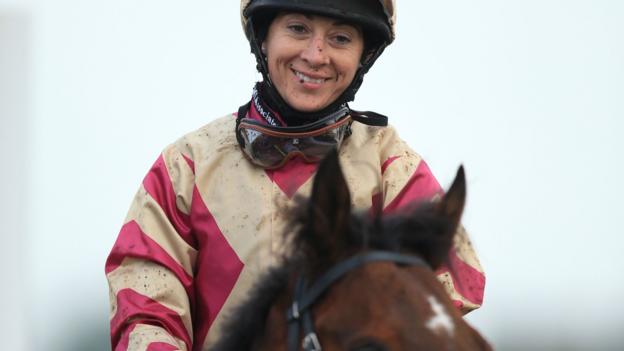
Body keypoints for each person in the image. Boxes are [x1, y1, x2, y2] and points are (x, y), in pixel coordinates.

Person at [105, 0, 486, 350]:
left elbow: (447, 283)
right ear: (264, 39)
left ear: (362, 56)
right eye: (298, 29)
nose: (316, 55)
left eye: (339, 38)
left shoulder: (393, 166)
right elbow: (144, 305)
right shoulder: (187, 165)